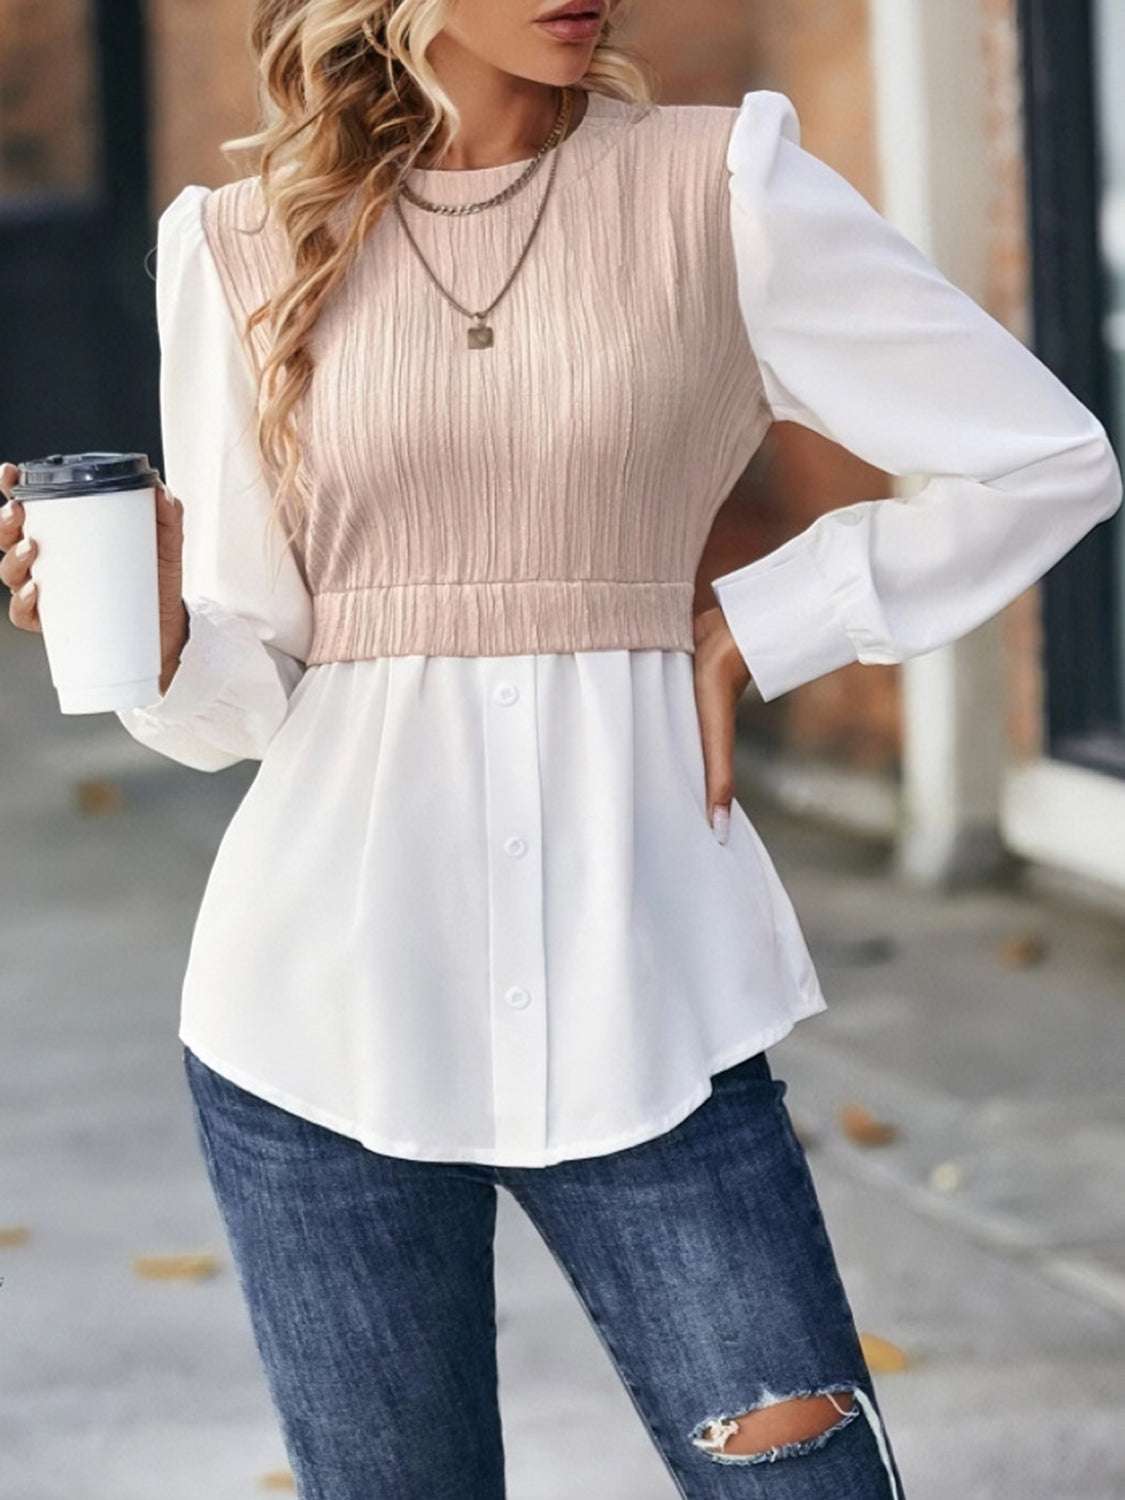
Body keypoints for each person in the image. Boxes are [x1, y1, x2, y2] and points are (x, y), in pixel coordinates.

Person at [2, 1, 1120, 1495]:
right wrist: (150, 628)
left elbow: (1049, 457)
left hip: (645, 999)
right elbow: (247, 698)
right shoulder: (234, 243)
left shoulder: (723, 185)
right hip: (320, 1022)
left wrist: (761, 621)